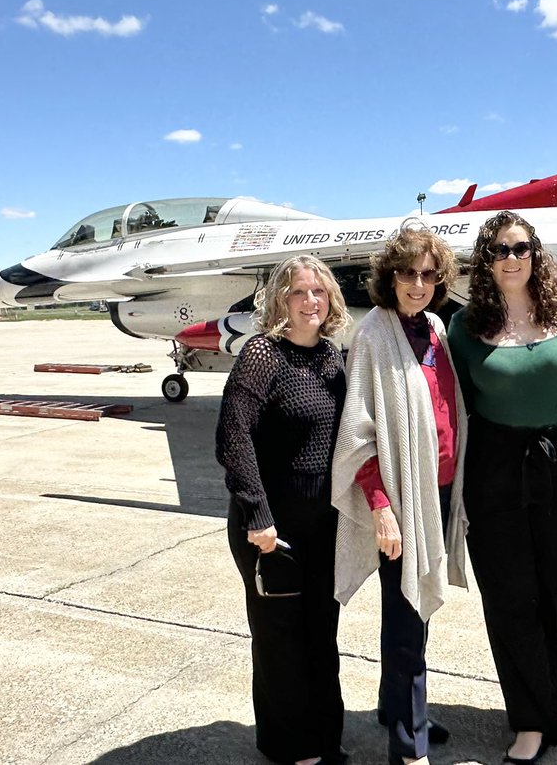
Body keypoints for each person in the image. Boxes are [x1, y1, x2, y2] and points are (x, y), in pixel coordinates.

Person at [446, 211, 557, 765]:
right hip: (494, 466)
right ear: (486, 259)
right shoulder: (465, 325)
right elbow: (449, 401)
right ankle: (530, 720)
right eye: (500, 249)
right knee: (509, 595)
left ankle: (544, 700)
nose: (511, 258)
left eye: (520, 247)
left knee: (555, 587)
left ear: (535, 253)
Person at [332, 224, 468, 765]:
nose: (418, 283)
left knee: (416, 611)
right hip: (400, 495)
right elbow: (359, 431)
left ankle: (399, 711)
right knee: (408, 613)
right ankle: (407, 748)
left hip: (436, 488)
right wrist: (382, 509)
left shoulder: (434, 327)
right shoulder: (372, 333)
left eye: (428, 274)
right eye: (408, 273)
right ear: (390, 277)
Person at [216, 255, 352, 765]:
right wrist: (257, 514)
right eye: (298, 292)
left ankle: (323, 737)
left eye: (318, 291)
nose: (310, 301)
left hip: (324, 523)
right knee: (280, 641)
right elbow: (233, 436)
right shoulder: (262, 355)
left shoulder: (332, 359)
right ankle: (293, 748)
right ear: (280, 300)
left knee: (322, 633)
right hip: (271, 527)